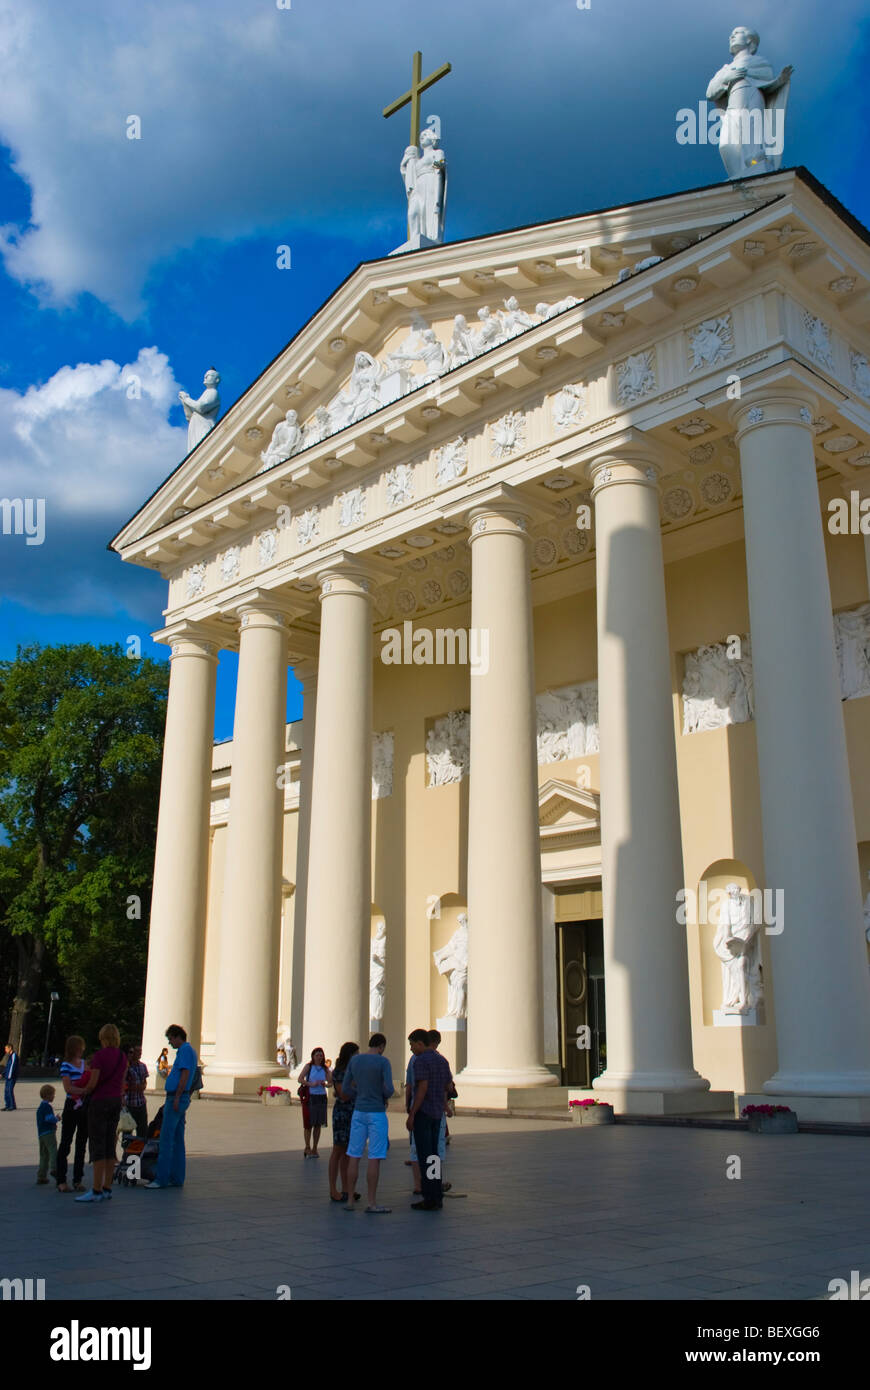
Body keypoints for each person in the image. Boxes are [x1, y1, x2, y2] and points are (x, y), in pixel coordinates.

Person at [341, 1034, 394, 1214]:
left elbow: (346, 1088)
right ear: (382, 1046)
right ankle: (371, 1202)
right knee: (374, 1157)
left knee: (354, 1155)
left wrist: (359, 1093)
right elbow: (390, 1089)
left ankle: (349, 1199)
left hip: (359, 1111)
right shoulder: (383, 1062)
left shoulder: (355, 1061)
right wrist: (380, 1095)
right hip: (377, 1112)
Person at [75, 1023, 128, 1204]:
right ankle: (107, 1187)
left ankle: (96, 1190)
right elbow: (122, 1082)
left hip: (100, 1102)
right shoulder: (122, 1057)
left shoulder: (99, 1056)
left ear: (103, 1038)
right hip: (115, 1101)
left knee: (97, 1145)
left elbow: (93, 1082)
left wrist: (82, 1090)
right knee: (109, 1145)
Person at [406, 1028, 453, 1211]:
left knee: (425, 1156)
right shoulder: (442, 1060)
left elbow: (422, 1088)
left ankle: (429, 1197)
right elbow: (448, 1086)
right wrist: (444, 1106)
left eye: (411, 1045)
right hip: (436, 1114)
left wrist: (412, 1114)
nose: (411, 1049)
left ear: (419, 1043)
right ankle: (436, 1195)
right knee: (434, 1156)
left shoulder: (420, 1061)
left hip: (424, 1114)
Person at [146, 1025, 198, 1190]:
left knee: (166, 1139)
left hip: (175, 1097)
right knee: (177, 1139)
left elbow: (185, 1074)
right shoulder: (189, 1051)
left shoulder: (184, 1051)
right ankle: (176, 1177)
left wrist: (176, 1097)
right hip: (180, 1097)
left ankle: (161, 1178)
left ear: (177, 1037)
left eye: (170, 1039)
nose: (169, 1043)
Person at [56, 1035, 90, 1192]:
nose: (83, 1049)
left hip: (84, 1106)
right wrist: (84, 1090)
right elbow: (68, 1088)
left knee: (82, 1143)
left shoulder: (86, 1065)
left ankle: (78, 1179)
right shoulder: (66, 1066)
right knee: (65, 1143)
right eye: (81, 1046)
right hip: (72, 1105)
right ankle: (61, 1180)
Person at [328, 1041, 359, 1203]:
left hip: (353, 1112)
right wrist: (357, 1086)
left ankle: (347, 1188)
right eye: (356, 1054)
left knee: (348, 1151)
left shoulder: (353, 1071)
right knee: (338, 1150)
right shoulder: (340, 1072)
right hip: (342, 1113)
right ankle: (333, 1189)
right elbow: (344, 1094)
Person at [298, 1047, 331, 1158]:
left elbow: (330, 1083)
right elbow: (300, 1078)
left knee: (318, 1124)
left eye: (321, 1055)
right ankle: (307, 1147)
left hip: (321, 1097)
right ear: (313, 1056)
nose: (319, 1057)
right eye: (317, 1055)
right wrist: (311, 1084)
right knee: (308, 1124)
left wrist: (325, 1084)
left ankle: (315, 1148)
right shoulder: (309, 1066)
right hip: (310, 1097)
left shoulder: (325, 1069)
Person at [124, 1043, 149, 1139]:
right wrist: (134, 1087)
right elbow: (124, 1084)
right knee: (127, 1132)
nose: (139, 1053)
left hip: (141, 1102)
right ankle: (127, 1151)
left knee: (143, 1130)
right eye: (137, 1051)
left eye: (141, 1051)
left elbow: (145, 1081)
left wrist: (142, 1086)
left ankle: (140, 1150)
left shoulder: (143, 1066)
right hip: (129, 1103)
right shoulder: (126, 1066)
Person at [36, 1084, 59, 1184]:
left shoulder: (40, 1107)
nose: (54, 1096)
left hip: (41, 1133)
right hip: (49, 1132)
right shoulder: (47, 1107)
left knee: (43, 1155)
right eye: (53, 1095)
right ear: (47, 1095)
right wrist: (57, 1119)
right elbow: (49, 1118)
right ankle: (54, 1167)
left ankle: (41, 1175)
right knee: (53, 1149)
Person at [2, 1042, 19, 1110]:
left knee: (9, 1090)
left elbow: (13, 1066)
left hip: (11, 1077)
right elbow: (7, 1067)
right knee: (6, 1091)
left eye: (6, 1048)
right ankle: (7, 1105)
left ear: (10, 1048)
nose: (5, 1050)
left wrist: (9, 1075)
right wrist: (2, 1074)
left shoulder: (14, 1055)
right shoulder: (10, 1056)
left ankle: (12, 1106)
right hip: (8, 1076)